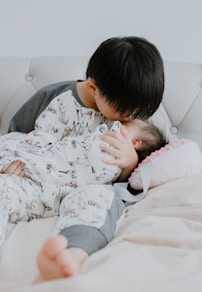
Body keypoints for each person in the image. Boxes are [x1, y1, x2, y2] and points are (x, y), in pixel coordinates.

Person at [0, 117, 166, 249]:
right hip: (26, 162)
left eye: (123, 125)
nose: (114, 124)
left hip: (38, 184)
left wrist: (129, 166)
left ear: (135, 142)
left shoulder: (109, 154)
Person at [8, 36, 164, 135]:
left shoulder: (132, 120)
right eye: (122, 110)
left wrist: (128, 163)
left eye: (136, 111)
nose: (130, 117)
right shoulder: (52, 97)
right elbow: (14, 135)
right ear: (93, 89)